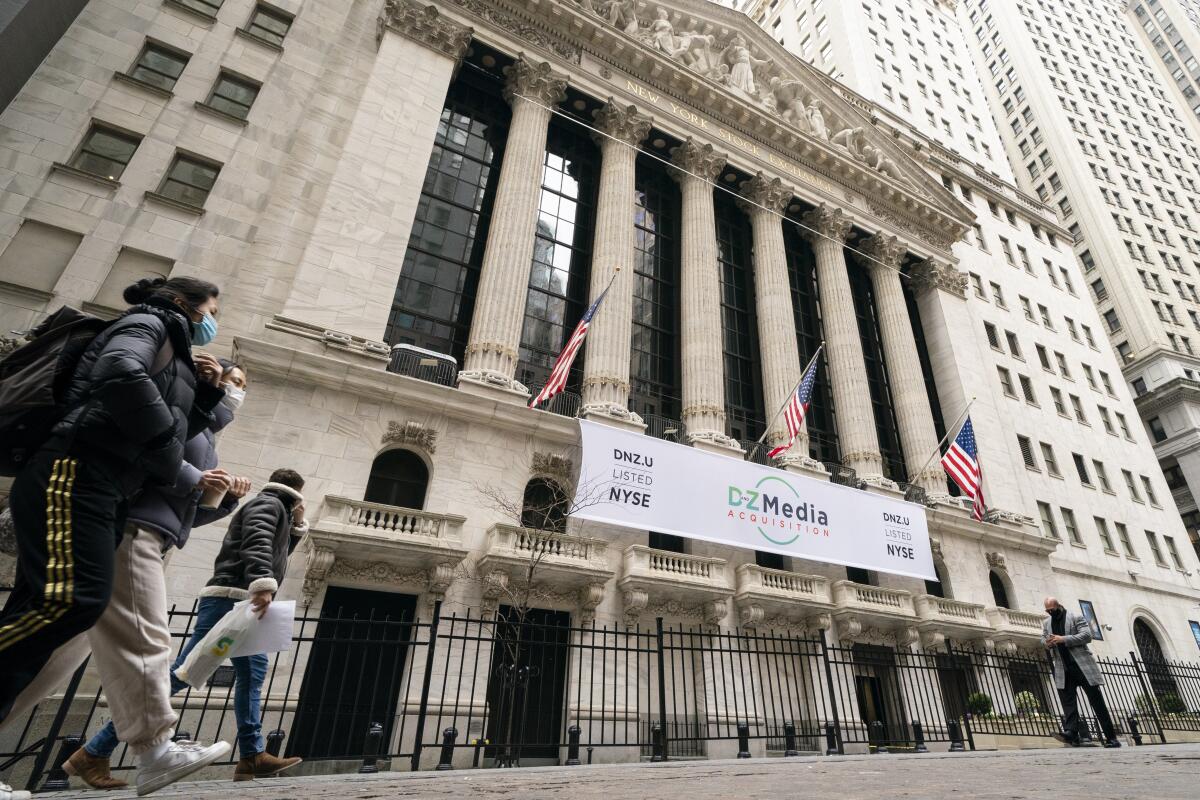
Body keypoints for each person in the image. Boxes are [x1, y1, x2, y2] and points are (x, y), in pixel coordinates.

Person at [0, 275, 236, 793]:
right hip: (76, 469)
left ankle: (154, 751)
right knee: (67, 604)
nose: (211, 323)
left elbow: (175, 423)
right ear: (185, 304)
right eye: (209, 311)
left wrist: (208, 395)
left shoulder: (174, 352)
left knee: (56, 609)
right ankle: (154, 749)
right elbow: (119, 371)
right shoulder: (150, 322)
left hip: (107, 482)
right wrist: (166, 447)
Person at [167, 469, 309, 782]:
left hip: (245, 603)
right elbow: (257, 539)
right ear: (297, 491)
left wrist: (296, 526)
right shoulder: (268, 504)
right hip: (232, 601)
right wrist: (261, 582)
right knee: (187, 670)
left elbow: (276, 552)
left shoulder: (276, 509)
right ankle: (97, 748)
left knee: (252, 674)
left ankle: (251, 756)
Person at [1043, 596, 1121, 748]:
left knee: (1097, 702)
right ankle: (1070, 733)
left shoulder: (1075, 617)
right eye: (1047, 611)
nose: (1049, 613)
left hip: (1082, 667)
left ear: (1058, 606)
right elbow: (1042, 639)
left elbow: (1087, 636)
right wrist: (1047, 642)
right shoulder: (1047, 623)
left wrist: (1062, 639)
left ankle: (1112, 738)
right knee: (1068, 703)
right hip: (1063, 668)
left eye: (1051, 610)